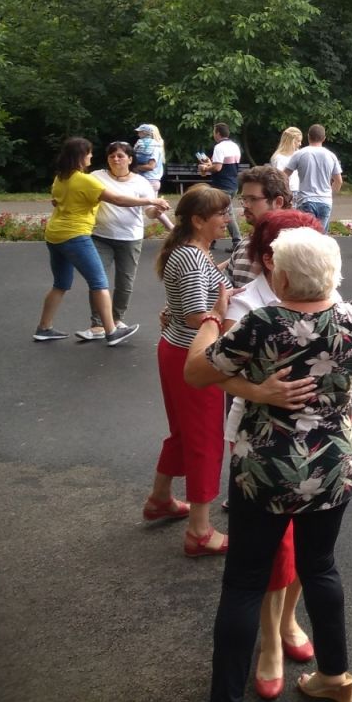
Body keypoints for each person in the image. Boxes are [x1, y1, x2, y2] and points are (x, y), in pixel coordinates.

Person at [184, 227, 352, 702]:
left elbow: (195, 373)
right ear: (333, 273)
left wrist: (212, 320)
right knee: (320, 567)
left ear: (281, 279)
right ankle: (335, 679)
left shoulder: (259, 323)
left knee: (244, 582)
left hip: (264, 468)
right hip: (332, 464)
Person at [219, 208, 331, 700]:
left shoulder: (322, 288)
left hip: (318, 443)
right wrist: (259, 391)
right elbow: (210, 371)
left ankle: (287, 620)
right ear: (270, 257)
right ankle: (269, 642)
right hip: (261, 441)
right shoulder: (248, 303)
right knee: (275, 549)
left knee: (308, 546)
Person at [146, 184, 235, 558]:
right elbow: (197, 315)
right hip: (194, 355)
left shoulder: (191, 252)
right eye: (221, 214)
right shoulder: (193, 258)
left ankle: (160, 499)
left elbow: (189, 302)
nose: (228, 219)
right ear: (199, 220)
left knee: (185, 434)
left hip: (176, 350)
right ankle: (199, 531)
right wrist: (224, 315)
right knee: (205, 440)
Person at [34, 137, 169, 345]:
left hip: (55, 235)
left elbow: (55, 200)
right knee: (99, 282)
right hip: (75, 235)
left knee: (60, 283)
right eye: (89, 153)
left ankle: (43, 328)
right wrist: (151, 199)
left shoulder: (61, 178)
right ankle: (110, 331)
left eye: (120, 155)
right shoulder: (86, 180)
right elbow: (117, 199)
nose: (91, 156)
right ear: (81, 156)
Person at [77, 141, 171, 340]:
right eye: (112, 156)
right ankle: (97, 325)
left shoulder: (141, 182)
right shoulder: (97, 177)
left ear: (130, 159)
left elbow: (149, 212)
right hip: (101, 236)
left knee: (125, 282)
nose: (116, 159)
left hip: (130, 238)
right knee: (98, 280)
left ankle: (116, 319)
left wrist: (156, 211)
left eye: (120, 156)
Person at [227, 166, 295, 290]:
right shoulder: (243, 246)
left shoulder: (297, 250)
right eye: (244, 199)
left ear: (278, 202)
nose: (245, 205)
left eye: (253, 199)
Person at [284, 124, 342, 231]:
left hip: (306, 200)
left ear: (308, 136)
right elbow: (338, 181)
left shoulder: (300, 154)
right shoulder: (331, 156)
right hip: (325, 201)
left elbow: (283, 175)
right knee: (320, 236)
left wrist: (287, 194)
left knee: (307, 235)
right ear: (324, 138)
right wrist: (330, 195)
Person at [198, 122, 244, 246]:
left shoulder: (219, 147)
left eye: (214, 132)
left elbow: (218, 167)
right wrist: (210, 164)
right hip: (233, 184)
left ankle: (237, 241)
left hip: (222, 185)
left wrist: (205, 168)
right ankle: (211, 239)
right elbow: (227, 165)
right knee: (213, 211)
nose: (213, 135)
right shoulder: (234, 146)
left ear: (218, 133)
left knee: (226, 213)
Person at [133, 123, 167, 194]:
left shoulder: (155, 148)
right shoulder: (157, 146)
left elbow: (150, 166)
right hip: (147, 179)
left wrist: (133, 167)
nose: (138, 134)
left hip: (148, 180)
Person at [270, 127, 303, 198]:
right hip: (288, 191)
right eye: (298, 141)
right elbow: (279, 179)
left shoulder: (298, 154)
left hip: (300, 190)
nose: (300, 144)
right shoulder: (279, 158)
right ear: (291, 141)